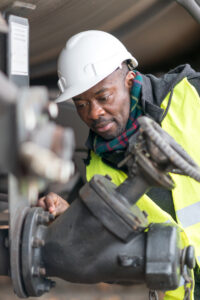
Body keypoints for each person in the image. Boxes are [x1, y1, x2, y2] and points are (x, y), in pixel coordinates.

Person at [38, 30, 200, 300]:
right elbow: (117, 263)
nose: (93, 113)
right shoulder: (96, 172)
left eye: (103, 97)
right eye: (81, 104)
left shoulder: (190, 95)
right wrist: (73, 219)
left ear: (129, 80)